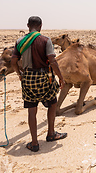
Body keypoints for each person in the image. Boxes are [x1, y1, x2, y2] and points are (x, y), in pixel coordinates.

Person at [11, 16, 67, 152]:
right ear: (41, 26)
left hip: (28, 77)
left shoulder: (20, 41)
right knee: (52, 103)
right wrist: (60, 77)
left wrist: (19, 74)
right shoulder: (46, 40)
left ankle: (34, 143)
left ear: (28, 25)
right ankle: (51, 133)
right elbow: (52, 61)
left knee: (32, 109)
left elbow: (13, 61)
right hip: (44, 77)